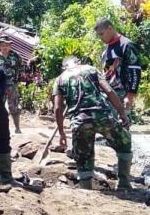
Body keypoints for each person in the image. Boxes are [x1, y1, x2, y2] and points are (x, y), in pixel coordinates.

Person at [53, 57, 133, 190]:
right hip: (103, 116)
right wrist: (122, 114)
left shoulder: (60, 79)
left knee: (83, 157)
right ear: (79, 63)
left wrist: (62, 134)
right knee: (124, 143)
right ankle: (124, 182)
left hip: (80, 121)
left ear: (64, 67)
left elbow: (57, 108)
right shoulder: (91, 70)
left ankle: (86, 190)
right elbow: (109, 91)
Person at [94, 18, 141, 111]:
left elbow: (135, 71)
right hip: (108, 95)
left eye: (101, 34)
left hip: (122, 95)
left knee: (122, 123)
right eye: (99, 35)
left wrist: (130, 95)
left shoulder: (126, 45)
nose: (101, 37)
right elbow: (107, 71)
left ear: (110, 28)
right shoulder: (106, 49)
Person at [0, 34, 23, 133]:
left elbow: (20, 67)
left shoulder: (16, 56)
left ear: (10, 45)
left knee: (14, 106)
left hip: (12, 85)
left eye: (7, 45)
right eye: (3, 45)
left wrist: (17, 79)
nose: (5, 47)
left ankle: (17, 128)